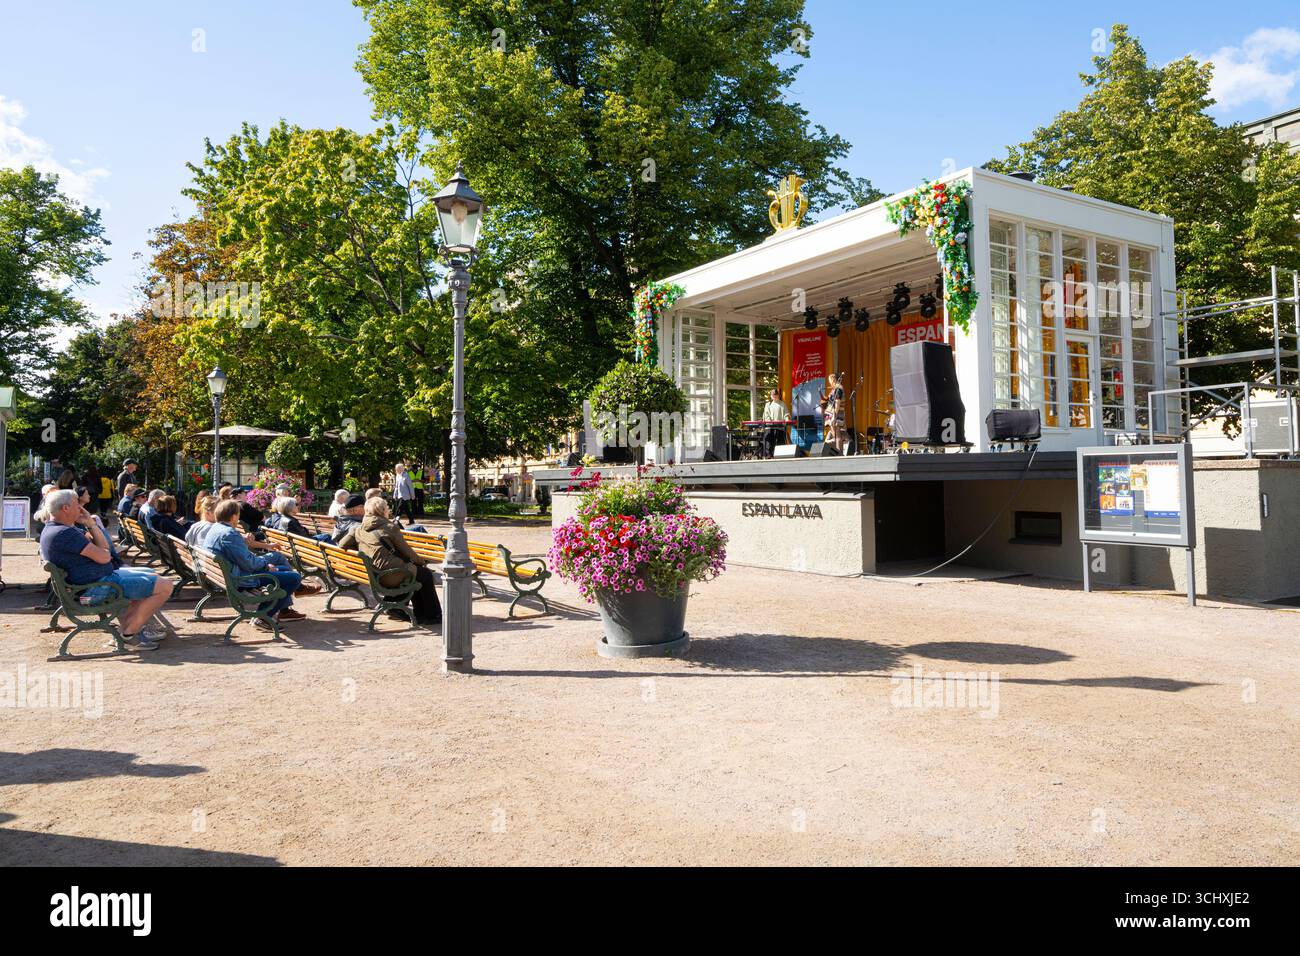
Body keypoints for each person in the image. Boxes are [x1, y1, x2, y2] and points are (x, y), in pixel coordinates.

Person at [40, 488, 171, 650]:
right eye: (77, 505)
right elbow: (104, 556)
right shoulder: (65, 534)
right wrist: (101, 549)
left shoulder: (55, 529)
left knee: (150, 575)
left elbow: (105, 551)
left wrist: (91, 524)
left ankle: (126, 632)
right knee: (166, 586)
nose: (81, 509)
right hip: (94, 590)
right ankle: (129, 635)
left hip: (89, 585)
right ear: (65, 508)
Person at [203, 500, 309, 628]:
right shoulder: (229, 534)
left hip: (227, 575)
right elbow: (248, 563)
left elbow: (243, 558)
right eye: (238, 515)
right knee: (294, 578)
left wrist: (265, 564)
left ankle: (279, 610)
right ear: (233, 516)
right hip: (240, 579)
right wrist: (265, 565)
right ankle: (263, 616)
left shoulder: (215, 528)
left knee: (281, 569)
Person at [338, 496, 442, 626]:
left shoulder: (358, 529)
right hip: (390, 575)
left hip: (374, 574)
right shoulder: (389, 527)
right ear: (383, 511)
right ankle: (432, 615)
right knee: (424, 574)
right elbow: (408, 552)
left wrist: (364, 547)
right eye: (387, 508)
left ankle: (404, 608)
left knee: (416, 572)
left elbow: (342, 545)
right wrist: (422, 562)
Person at [265, 496, 332, 542]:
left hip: (296, 546)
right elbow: (305, 537)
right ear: (290, 507)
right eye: (296, 504)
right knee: (327, 536)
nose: (298, 506)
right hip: (307, 546)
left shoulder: (283, 518)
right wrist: (305, 530)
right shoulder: (291, 522)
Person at [761, 387, 789, 458]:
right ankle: (768, 456)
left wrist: (787, 419)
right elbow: (766, 415)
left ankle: (779, 455)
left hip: (779, 427)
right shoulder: (768, 404)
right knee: (769, 443)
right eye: (773, 395)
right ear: (771, 396)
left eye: (776, 395)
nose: (774, 396)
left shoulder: (782, 404)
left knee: (779, 443)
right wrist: (770, 422)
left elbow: (786, 414)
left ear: (778, 395)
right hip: (769, 427)